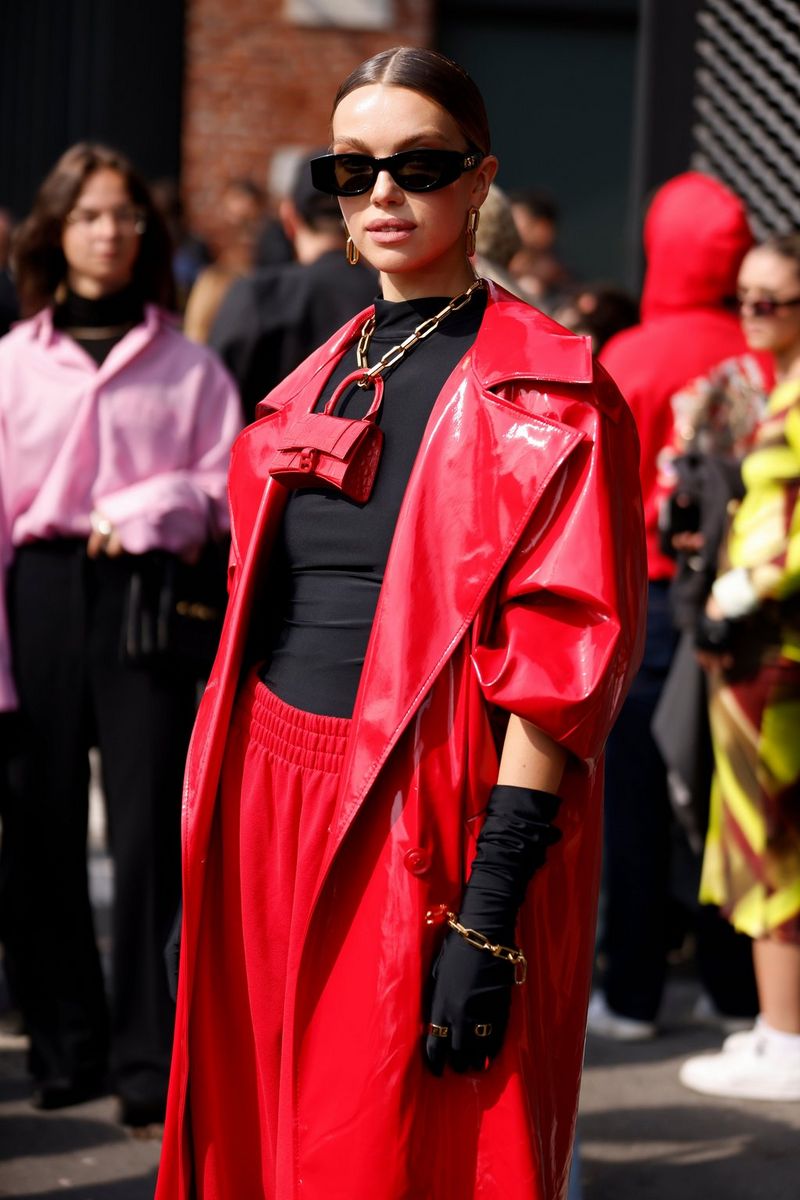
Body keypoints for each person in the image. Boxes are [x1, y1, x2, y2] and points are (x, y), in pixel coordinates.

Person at [156, 47, 645, 1200]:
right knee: (256, 1129)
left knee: (390, 1152)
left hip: (427, 798)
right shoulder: (305, 380)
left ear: (479, 181)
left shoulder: (554, 394)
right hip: (263, 787)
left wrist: (484, 922)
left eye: (418, 165)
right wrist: (207, 860)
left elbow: (559, 676)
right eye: (352, 167)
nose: (381, 193)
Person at [0, 143, 241, 1124]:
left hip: (148, 601)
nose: (110, 231)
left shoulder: (189, 364)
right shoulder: (13, 363)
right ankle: (66, 1044)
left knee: (148, 838)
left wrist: (159, 503)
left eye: (126, 216)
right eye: (92, 214)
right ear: (55, 230)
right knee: (40, 828)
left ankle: (151, 1058)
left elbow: (232, 487)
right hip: (39, 596)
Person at [589, 172, 760, 1041]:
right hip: (752, 606)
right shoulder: (767, 352)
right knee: (737, 794)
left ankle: (633, 991)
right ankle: (741, 987)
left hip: (653, 598)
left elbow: (605, 492)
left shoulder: (630, 355)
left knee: (638, 797)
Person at [680, 234, 800, 1101]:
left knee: (772, 839)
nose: (751, 313)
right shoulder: (778, 392)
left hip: (773, 643)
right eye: (744, 298)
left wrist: (739, 587)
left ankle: (785, 1035)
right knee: (752, 831)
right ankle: (773, 1028)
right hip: (758, 642)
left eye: (771, 301)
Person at [208, 151, 376, 422]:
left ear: (289, 216)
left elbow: (212, 407)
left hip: (264, 457)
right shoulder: (390, 302)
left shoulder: (258, 297)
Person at [183, 178, 267, 343]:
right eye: (236, 218)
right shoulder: (206, 264)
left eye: (249, 223)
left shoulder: (271, 257)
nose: (244, 233)